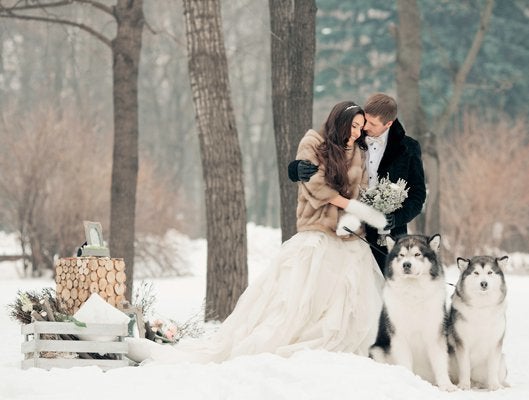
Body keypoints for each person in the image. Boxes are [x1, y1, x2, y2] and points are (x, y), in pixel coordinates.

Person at [127, 101, 387, 364]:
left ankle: (338, 358)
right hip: (317, 230)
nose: (356, 132)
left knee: (345, 300)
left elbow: (361, 189)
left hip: (346, 236)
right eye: (353, 126)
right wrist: (350, 205)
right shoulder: (314, 141)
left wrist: (358, 213)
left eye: (360, 128)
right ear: (340, 121)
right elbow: (316, 187)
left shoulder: (358, 152)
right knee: (295, 299)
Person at [289, 93, 426, 272]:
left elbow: (417, 194)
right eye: (365, 121)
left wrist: (396, 219)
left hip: (387, 236)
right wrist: (296, 169)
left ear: (388, 124)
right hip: (349, 228)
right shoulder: (352, 136)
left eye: (372, 124)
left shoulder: (408, 148)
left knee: (385, 289)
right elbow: (323, 152)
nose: (365, 128)